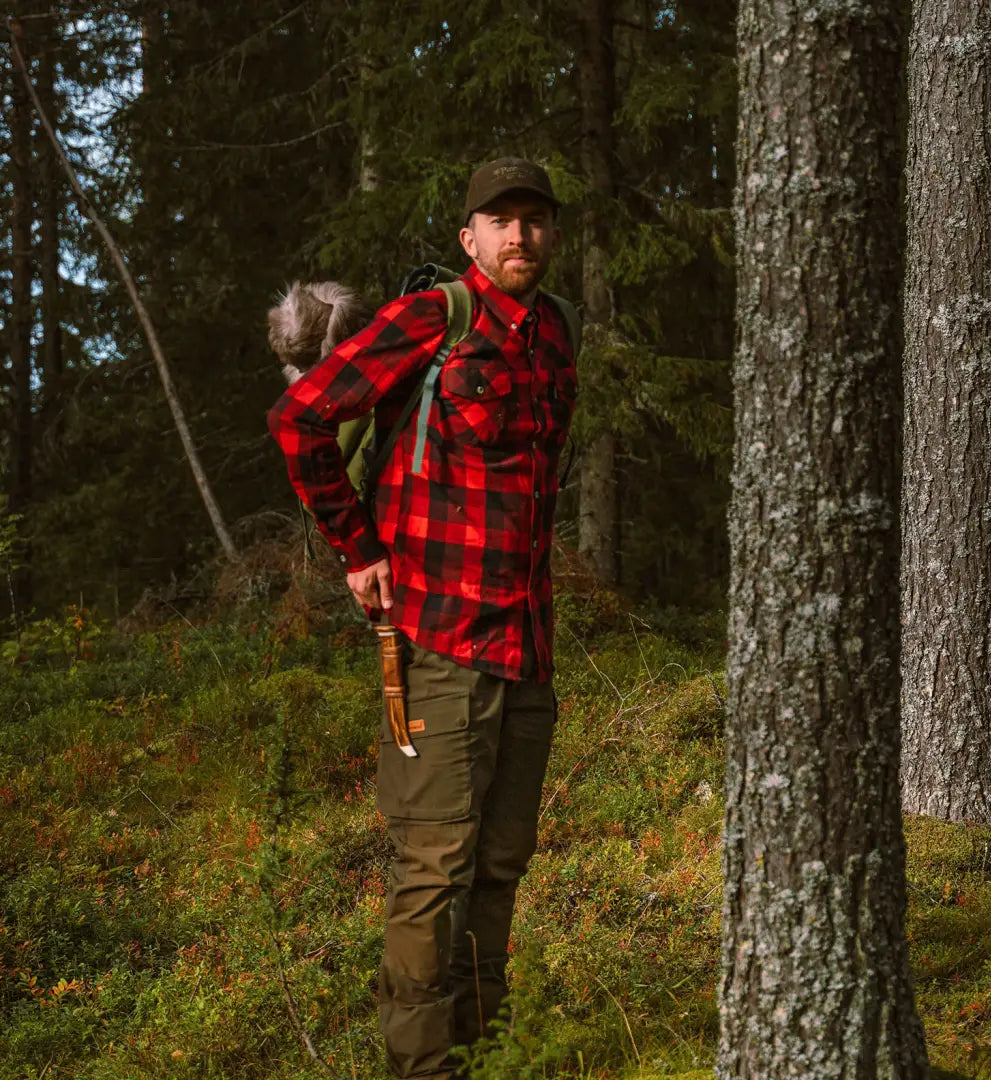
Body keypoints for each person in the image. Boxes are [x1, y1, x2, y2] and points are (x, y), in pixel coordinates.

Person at [267, 157, 577, 1079]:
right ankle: (421, 1068)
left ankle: (488, 1050)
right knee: (433, 870)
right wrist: (358, 548)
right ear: (469, 237)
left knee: (501, 864)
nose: (518, 235)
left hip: (527, 646)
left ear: (551, 234)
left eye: (534, 219)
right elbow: (300, 417)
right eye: (500, 220)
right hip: (438, 643)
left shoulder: (556, 333)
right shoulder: (433, 319)